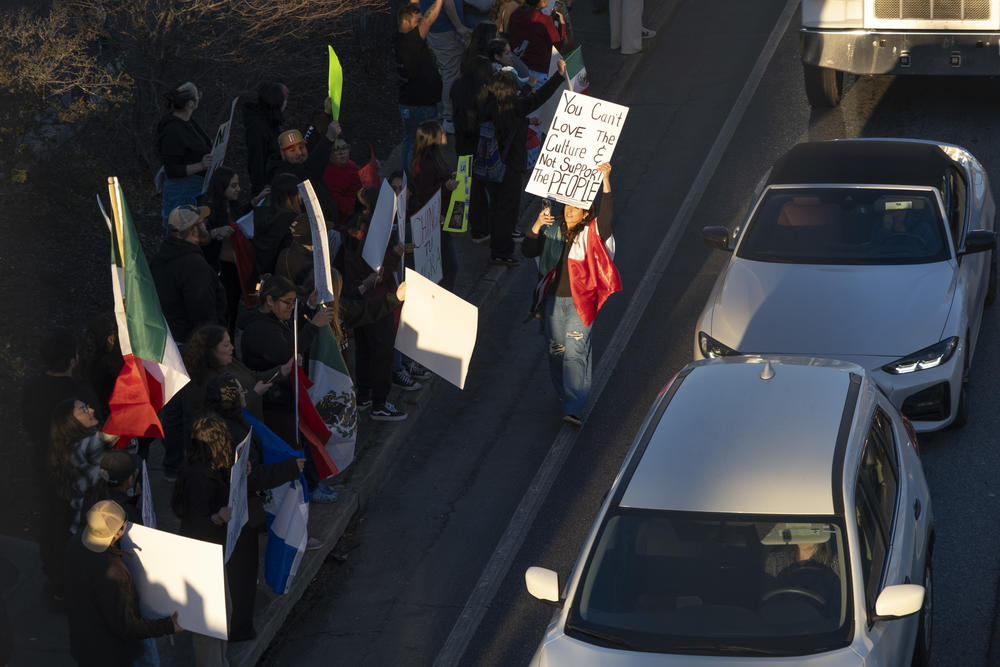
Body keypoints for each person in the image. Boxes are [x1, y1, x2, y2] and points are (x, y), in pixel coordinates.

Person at [203, 374, 304, 641]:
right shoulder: (233, 432)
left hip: (224, 512)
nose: (245, 392)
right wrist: (289, 469)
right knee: (241, 575)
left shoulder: (211, 425)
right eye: (239, 390)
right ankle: (239, 627)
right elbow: (246, 480)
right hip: (237, 516)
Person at [521, 163, 619, 426]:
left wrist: (605, 181)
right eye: (567, 206)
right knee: (556, 351)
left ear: (587, 214)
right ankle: (565, 391)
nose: (570, 210)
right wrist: (536, 225)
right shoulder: (551, 230)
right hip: (553, 303)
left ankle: (574, 407)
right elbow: (528, 251)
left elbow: (607, 214)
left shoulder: (593, 234)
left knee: (576, 351)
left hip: (580, 304)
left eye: (576, 208)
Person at [238, 275, 339, 502]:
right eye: (287, 302)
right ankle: (303, 489)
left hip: (285, 395)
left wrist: (310, 307)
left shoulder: (273, 319)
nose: (291, 308)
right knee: (290, 446)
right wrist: (313, 326)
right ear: (270, 301)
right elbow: (287, 352)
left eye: (294, 302)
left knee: (303, 440)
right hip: (272, 401)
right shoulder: (259, 329)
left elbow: (291, 333)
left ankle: (310, 483)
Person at [65, 500, 181, 667]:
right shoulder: (114, 572)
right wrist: (167, 626)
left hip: (83, 648)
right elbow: (127, 627)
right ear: (118, 533)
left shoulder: (74, 544)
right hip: (111, 656)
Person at [477, 58, 566, 265]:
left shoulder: (489, 105)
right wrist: (559, 75)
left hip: (490, 166)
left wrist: (526, 120)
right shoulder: (515, 107)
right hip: (510, 167)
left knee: (496, 207)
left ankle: (497, 248)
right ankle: (502, 252)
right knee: (507, 212)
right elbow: (539, 98)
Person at [170, 415, 233, 666]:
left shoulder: (203, 469)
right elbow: (197, 524)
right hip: (200, 557)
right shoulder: (199, 477)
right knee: (209, 625)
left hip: (208, 554)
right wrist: (218, 518)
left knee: (223, 614)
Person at [150, 204, 228, 344]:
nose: (206, 225)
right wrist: (212, 345)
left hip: (168, 340)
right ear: (193, 230)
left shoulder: (160, 258)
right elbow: (204, 314)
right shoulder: (194, 266)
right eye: (202, 223)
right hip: (190, 346)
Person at [204, 167, 270, 331]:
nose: (238, 189)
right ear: (222, 187)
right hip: (221, 268)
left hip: (238, 265)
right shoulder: (208, 210)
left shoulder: (233, 206)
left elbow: (241, 216)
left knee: (234, 308)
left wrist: (255, 201)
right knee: (224, 308)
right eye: (233, 186)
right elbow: (200, 237)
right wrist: (215, 232)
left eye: (238, 185)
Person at [184, 324, 293, 419]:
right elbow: (229, 413)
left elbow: (253, 377)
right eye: (226, 345)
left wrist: (284, 369)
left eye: (230, 343)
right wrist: (255, 394)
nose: (232, 348)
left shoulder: (229, 362)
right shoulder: (209, 381)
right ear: (210, 350)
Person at [49, 399, 121, 535]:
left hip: (87, 521)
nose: (91, 410)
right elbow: (117, 429)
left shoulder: (70, 446)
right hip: (94, 524)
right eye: (84, 409)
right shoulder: (84, 445)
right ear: (70, 422)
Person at [395, 0, 445, 175]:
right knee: (423, 146)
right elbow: (429, 20)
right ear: (406, 23)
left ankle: (408, 178)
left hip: (408, 104)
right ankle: (417, 179)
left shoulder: (401, 41)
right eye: (418, 22)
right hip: (420, 107)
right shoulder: (410, 40)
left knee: (409, 141)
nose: (421, 26)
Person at [265, 116, 342, 227]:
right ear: (283, 154)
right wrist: (328, 138)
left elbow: (314, 141)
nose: (299, 153)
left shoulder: (305, 163)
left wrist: (326, 113)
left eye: (301, 148)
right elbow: (309, 171)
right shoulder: (283, 175)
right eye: (292, 150)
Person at [410, 119, 460, 291]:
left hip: (439, 217)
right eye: (441, 132)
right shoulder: (426, 162)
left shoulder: (433, 157)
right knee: (450, 267)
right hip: (434, 220)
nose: (445, 134)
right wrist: (446, 187)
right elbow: (423, 193)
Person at [156, 82, 212, 228]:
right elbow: (172, 169)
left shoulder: (188, 122)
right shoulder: (172, 130)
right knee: (182, 231)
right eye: (197, 96)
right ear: (190, 103)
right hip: (181, 193)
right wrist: (200, 165)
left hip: (194, 190)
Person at [450, 55, 494, 243]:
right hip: (481, 146)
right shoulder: (482, 94)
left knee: (469, 189)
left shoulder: (457, 88)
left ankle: (473, 227)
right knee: (485, 188)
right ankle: (485, 226)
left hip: (463, 146)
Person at [418, 0, 473, 134]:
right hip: (444, 27)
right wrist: (459, 26)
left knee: (449, 70)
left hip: (437, 26)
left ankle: (448, 114)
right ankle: (449, 118)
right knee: (451, 72)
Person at [243, 82, 288, 194]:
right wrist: (260, 191)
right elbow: (257, 161)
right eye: (284, 99)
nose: (286, 103)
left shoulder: (271, 123)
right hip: (266, 190)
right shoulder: (258, 128)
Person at [506, 0, 565, 81]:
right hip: (539, 70)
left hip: (518, 64)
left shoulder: (516, 13)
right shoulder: (545, 20)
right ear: (542, 1)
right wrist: (561, 23)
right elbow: (557, 45)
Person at [322, 137, 363, 223]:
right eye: (336, 149)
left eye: (344, 148)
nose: (342, 152)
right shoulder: (327, 174)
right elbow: (337, 203)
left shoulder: (352, 166)